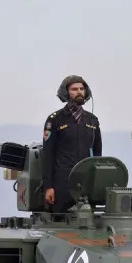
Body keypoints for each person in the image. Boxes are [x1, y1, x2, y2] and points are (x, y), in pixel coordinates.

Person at [41, 74, 102, 213]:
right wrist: (48, 187)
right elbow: (48, 154)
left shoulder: (92, 120)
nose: (79, 92)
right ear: (66, 92)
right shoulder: (55, 120)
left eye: (81, 88)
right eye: (74, 89)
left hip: (86, 184)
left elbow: (98, 154)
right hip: (62, 183)